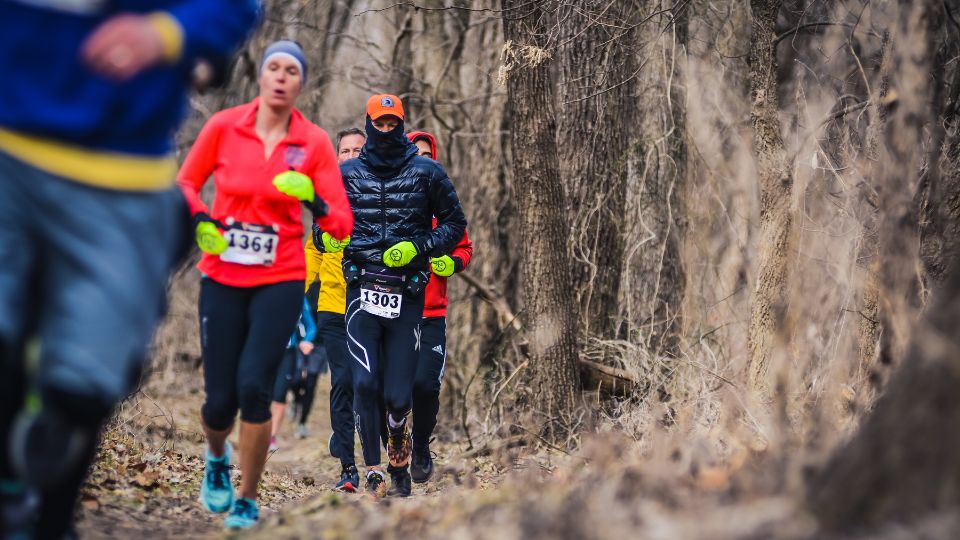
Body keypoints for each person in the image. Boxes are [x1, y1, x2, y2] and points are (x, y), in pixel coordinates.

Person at [0, 3, 257, 538]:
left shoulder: (312, 144)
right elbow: (196, 177)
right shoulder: (229, 128)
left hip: (121, 175)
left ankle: (49, 516)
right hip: (9, 148)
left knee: (85, 386)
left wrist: (167, 34)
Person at [177, 40, 352, 528]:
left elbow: (342, 223)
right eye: (273, 66)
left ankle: (248, 497)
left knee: (255, 388)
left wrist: (314, 197)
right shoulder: (223, 126)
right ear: (261, 75)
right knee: (218, 401)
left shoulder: (314, 143)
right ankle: (216, 462)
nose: (280, 76)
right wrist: (200, 221)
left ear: (301, 83)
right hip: (223, 274)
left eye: (291, 70)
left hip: (281, 277)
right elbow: (187, 183)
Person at [341, 94, 467, 497]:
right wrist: (329, 234)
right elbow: (323, 227)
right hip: (362, 290)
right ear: (368, 123)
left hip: (408, 295)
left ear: (402, 123)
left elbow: (454, 224)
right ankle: (375, 469)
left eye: (393, 122)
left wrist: (420, 247)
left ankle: (401, 439)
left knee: (400, 396)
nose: (386, 129)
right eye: (379, 122)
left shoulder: (427, 172)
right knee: (364, 383)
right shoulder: (347, 174)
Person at [406, 131, 474, 484]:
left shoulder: (444, 203)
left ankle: (420, 445)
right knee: (394, 389)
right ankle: (396, 448)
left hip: (433, 312)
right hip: (396, 312)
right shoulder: (397, 200)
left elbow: (465, 247)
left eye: (428, 155)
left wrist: (453, 263)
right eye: (416, 153)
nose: (423, 159)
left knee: (426, 386)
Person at [304, 127, 366, 492]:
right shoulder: (326, 196)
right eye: (346, 150)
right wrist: (297, 288)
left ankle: (374, 449)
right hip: (333, 306)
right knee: (343, 382)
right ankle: (348, 467)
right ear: (336, 155)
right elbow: (313, 247)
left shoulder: (380, 192)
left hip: (372, 303)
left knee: (369, 386)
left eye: (359, 149)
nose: (352, 156)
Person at [269, 296, 317, 451]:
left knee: (279, 395)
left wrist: (307, 340)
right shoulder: (262, 287)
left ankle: (271, 436)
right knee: (261, 393)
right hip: (264, 351)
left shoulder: (298, 296)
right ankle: (257, 431)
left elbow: (311, 326)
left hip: (288, 353)